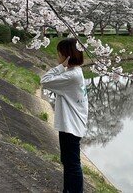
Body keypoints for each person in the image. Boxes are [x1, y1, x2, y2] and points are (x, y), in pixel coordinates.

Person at [40, 38, 88, 193]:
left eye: (59, 53)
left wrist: (60, 67)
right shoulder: (75, 72)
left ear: (66, 55)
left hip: (71, 125)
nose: (57, 55)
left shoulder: (70, 76)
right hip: (72, 123)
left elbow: (45, 81)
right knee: (68, 162)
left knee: (72, 164)